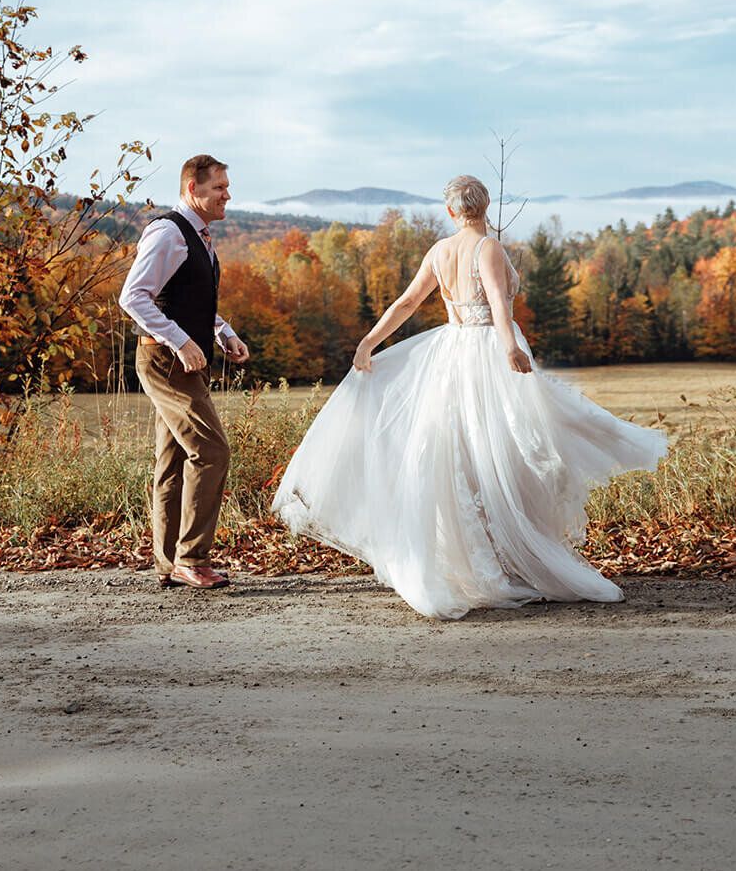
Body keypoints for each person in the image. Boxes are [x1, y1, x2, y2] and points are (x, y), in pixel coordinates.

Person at [271, 175, 667, 619]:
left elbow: (405, 303)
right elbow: (499, 303)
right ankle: (502, 556)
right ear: (486, 206)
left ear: (450, 212)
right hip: (487, 353)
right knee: (509, 447)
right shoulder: (490, 247)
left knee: (462, 453)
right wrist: (511, 349)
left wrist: (369, 341)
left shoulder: (439, 251)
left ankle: (479, 558)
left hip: (450, 352)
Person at [119, 154, 249, 589]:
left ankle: (169, 563)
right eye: (219, 188)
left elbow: (187, 301)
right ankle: (191, 559)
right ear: (193, 189)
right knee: (211, 452)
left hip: (183, 359)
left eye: (227, 187)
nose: (227, 195)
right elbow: (133, 297)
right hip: (165, 361)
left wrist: (223, 332)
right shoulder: (168, 232)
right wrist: (181, 341)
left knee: (173, 460)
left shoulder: (199, 237)